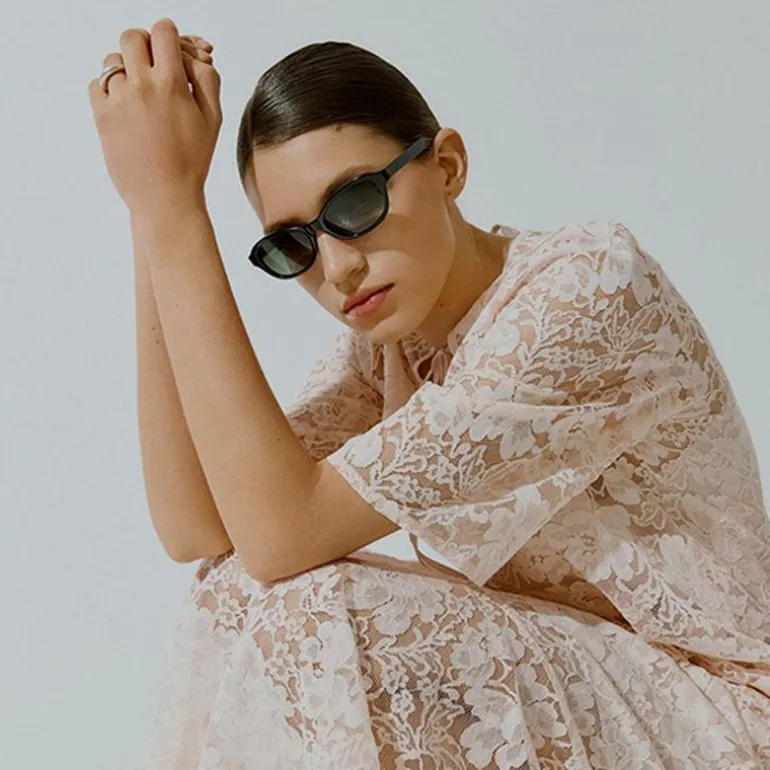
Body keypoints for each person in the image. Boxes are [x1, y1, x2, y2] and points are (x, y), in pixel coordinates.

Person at [138, 39, 770, 770]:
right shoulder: (390, 346)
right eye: (294, 246)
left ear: (447, 167)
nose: (337, 268)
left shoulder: (588, 293)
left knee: (316, 604)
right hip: (605, 698)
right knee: (235, 588)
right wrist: (150, 209)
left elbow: (283, 533)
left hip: (728, 718)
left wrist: (175, 207)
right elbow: (202, 525)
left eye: (356, 203)